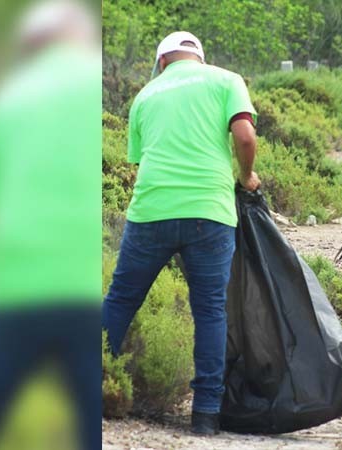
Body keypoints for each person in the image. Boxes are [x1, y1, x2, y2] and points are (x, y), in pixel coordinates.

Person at [0, 2, 101, 449]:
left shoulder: (5, 101)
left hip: (10, 286)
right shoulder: (93, 81)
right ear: (81, 37)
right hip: (83, 286)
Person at [102, 31, 259, 436]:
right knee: (208, 310)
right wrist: (247, 177)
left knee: (120, 300)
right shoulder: (226, 80)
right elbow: (244, 135)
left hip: (151, 211)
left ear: (162, 63)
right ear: (199, 58)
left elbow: (140, 161)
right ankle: (206, 414)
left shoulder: (145, 96)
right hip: (209, 212)